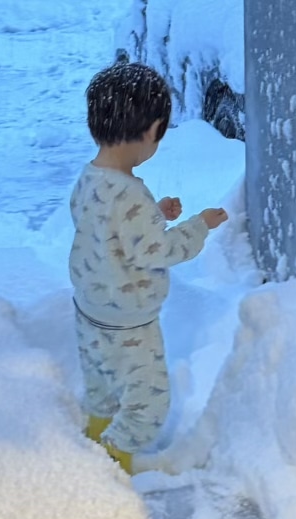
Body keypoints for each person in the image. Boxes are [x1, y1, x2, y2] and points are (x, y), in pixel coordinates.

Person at [69, 60, 228, 473]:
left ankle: (94, 434)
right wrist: (198, 226)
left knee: (103, 388)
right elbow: (156, 251)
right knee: (148, 403)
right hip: (129, 325)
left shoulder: (89, 180)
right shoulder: (130, 194)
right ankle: (111, 463)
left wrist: (154, 213)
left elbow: (108, 231)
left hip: (90, 314)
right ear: (151, 130)